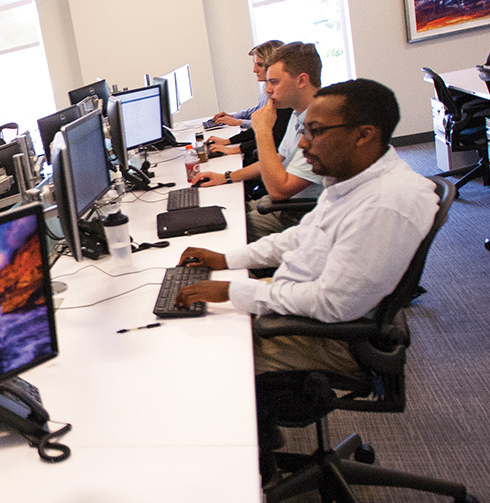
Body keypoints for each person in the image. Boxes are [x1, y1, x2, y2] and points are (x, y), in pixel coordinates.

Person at [174, 79, 438, 375]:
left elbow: (332, 304)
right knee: (189, 322)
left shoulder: (385, 205)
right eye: (304, 130)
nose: (302, 142)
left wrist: (232, 290)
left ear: (364, 135)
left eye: (316, 132)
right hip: (301, 298)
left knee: (199, 357)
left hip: (331, 338)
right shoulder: (352, 178)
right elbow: (303, 236)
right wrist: (226, 260)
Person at [193, 42, 324, 240]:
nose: (268, 90)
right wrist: (227, 176)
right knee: (219, 212)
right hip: (280, 202)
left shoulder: (321, 125)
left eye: (275, 82)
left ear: (301, 80)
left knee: (223, 233)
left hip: (298, 215)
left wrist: (263, 130)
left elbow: (281, 190)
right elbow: (277, 159)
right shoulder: (298, 114)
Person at [211, 40, 285, 129]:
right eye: (254, 64)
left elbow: (270, 124)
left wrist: (239, 122)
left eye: (259, 65)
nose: (254, 70)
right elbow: (258, 109)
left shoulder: (281, 94)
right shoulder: (266, 86)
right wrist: (234, 116)